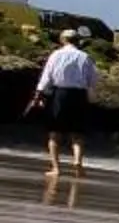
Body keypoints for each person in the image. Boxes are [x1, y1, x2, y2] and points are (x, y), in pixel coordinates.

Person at [25, 28, 98, 175]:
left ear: (63, 40)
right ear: (78, 41)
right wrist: (91, 96)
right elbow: (93, 79)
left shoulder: (56, 55)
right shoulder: (85, 57)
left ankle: (56, 168)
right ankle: (77, 161)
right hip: (78, 95)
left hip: (60, 94)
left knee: (54, 133)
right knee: (77, 134)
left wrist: (38, 95)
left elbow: (47, 77)